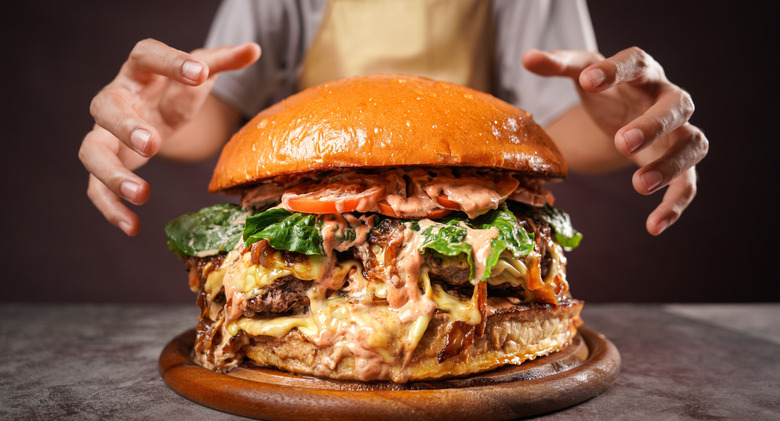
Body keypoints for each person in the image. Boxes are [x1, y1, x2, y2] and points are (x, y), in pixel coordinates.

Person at [79, 0, 708, 237]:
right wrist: (152, 122)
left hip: (468, 211)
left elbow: (548, 133)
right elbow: (218, 120)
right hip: (318, 201)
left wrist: (618, 129)